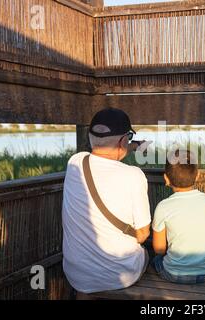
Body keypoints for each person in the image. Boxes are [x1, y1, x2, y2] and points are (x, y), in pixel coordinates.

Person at [62, 108, 151, 299]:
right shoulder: (134, 175)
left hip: (76, 273)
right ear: (122, 141)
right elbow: (143, 234)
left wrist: (132, 144)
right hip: (119, 274)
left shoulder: (75, 163)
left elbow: (100, 154)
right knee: (144, 253)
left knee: (87, 279)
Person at [151, 149, 205, 284]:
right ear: (198, 176)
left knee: (155, 260)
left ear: (166, 178)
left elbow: (159, 249)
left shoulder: (163, 206)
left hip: (176, 274)